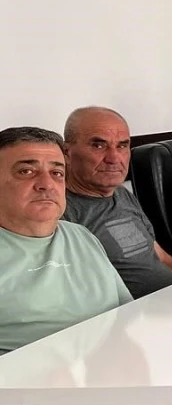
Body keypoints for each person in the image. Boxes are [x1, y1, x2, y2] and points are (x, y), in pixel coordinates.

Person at [0, 126, 132, 353]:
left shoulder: (81, 235)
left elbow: (126, 313)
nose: (47, 184)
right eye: (26, 171)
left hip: (111, 362)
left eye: (57, 173)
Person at [62, 106, 172, 297]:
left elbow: (160, 256)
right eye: (98, 145)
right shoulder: (59, 211)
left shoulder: (121, 193)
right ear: (66, 153)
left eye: (122, 146)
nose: (114, 158)